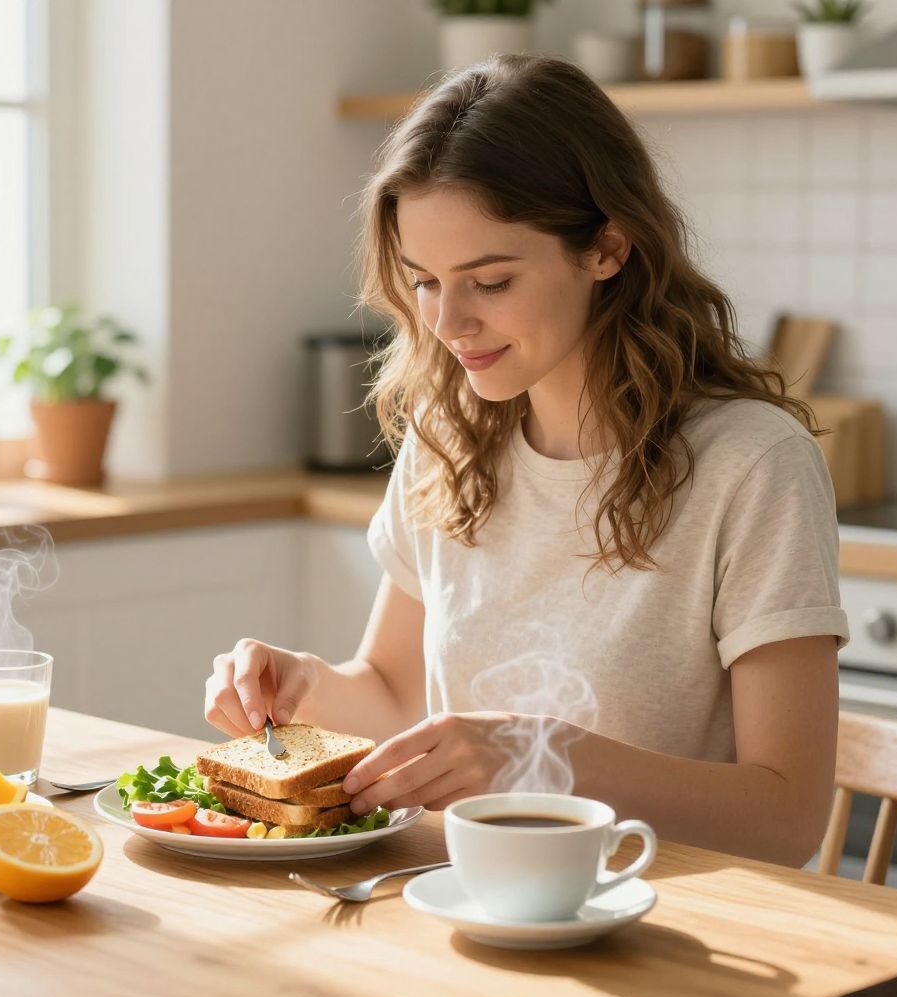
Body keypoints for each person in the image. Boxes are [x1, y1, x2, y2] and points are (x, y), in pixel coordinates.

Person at [203, 54, 849, 867]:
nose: (448, 322)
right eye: (425, 282)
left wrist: (543, 757)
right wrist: (303, 686)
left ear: (607, 248)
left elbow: (787, 819)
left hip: (665, 915)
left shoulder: (753, 466)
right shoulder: (449, 439)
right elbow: (398, 698)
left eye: (491, 281)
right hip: (468, 895)